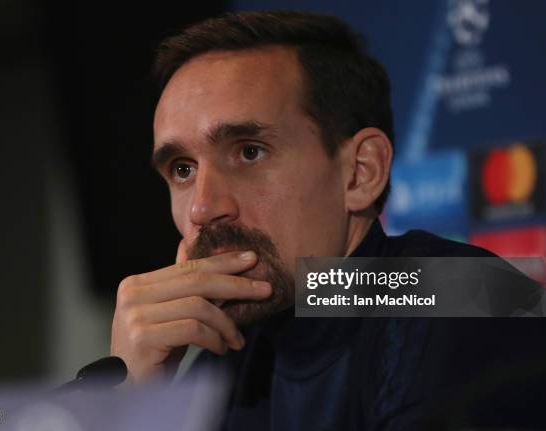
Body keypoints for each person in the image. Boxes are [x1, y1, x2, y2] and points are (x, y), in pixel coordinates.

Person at [110, 11, 546, 430]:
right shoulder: (237, 346)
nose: (202, 208)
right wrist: (131, 401)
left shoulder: (467, 293)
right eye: (183, 169)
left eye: (249, 152)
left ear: (360, 172)